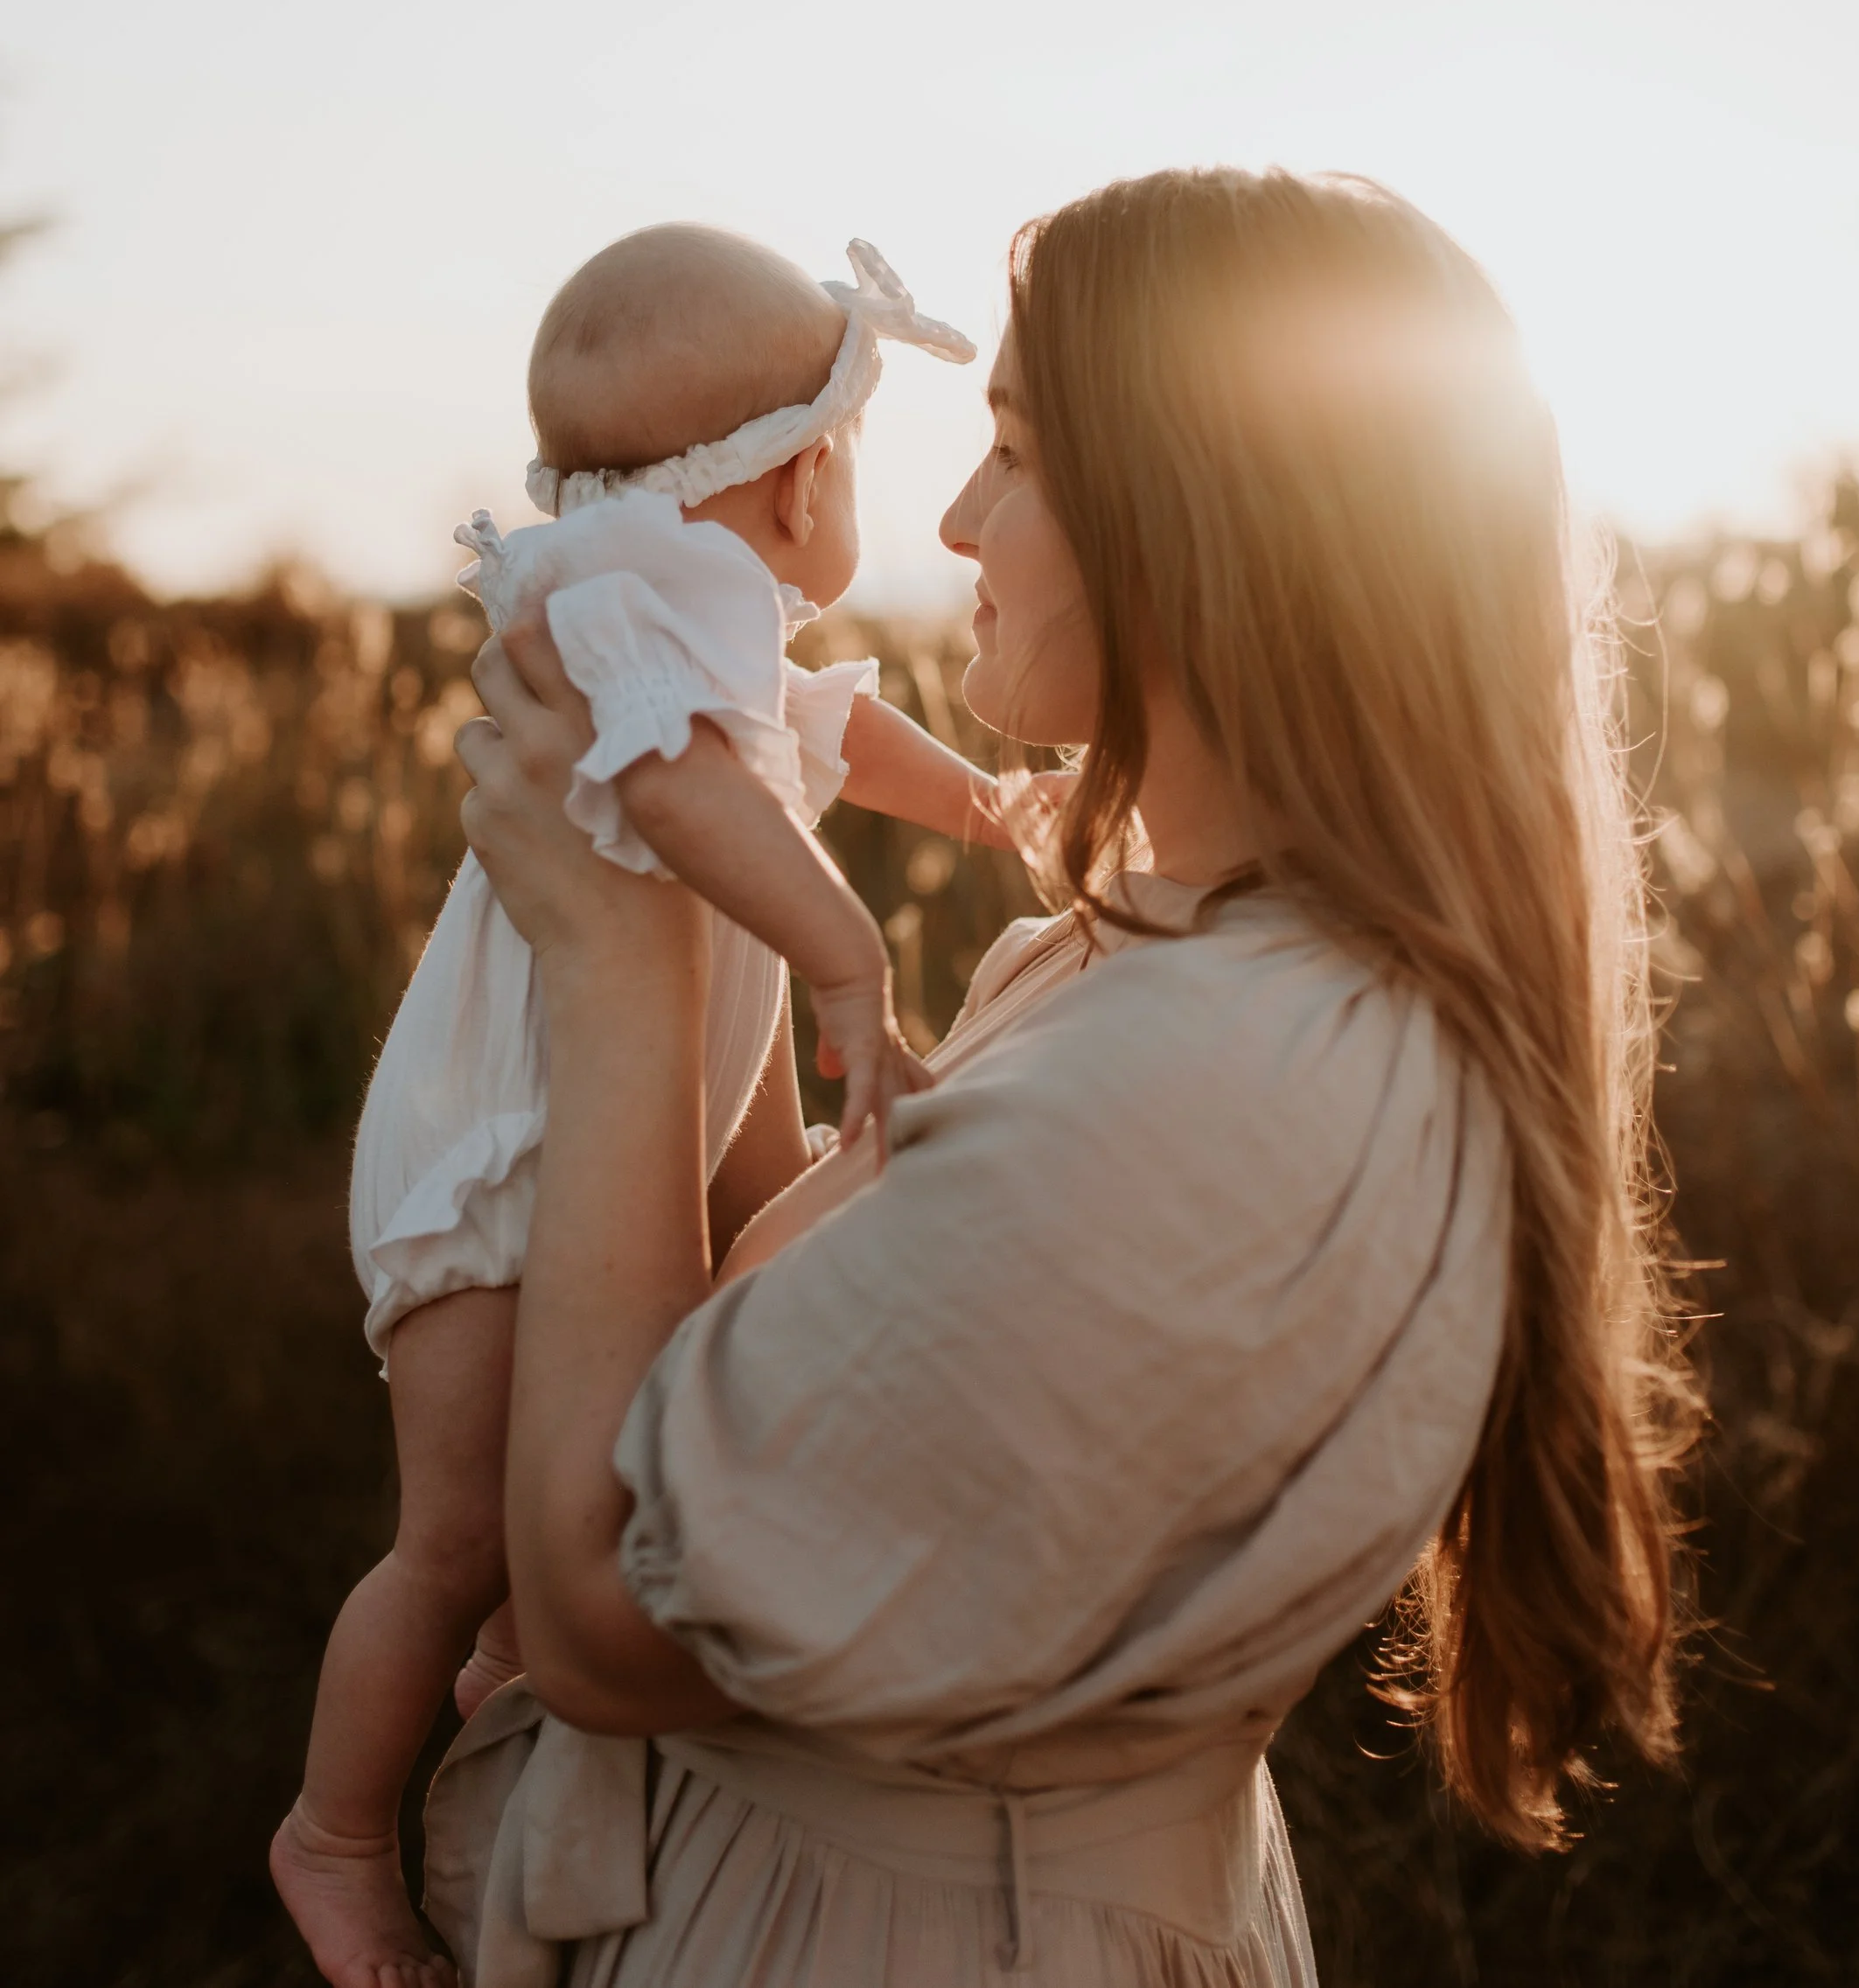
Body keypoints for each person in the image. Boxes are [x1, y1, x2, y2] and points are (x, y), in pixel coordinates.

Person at [430, 167, 1691, 1987]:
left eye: (1012, 453)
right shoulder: (1128, 960)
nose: (949, 517)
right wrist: (708, 871)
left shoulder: (1209, 1084)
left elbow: (607, 1618)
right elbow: (739, 1362)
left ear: (1206, 521)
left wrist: (618, 966)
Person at [275, 227, 1010, 1988]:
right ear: (793, 477)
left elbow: (821, 732)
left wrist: (992, 808)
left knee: (572, 1483)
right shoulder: (646, 596)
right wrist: (844, 952)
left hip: (591, 1124)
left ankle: (506, 1695)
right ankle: (334, 1833)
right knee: (453, 1533)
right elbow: (685, 785)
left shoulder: (680, 597)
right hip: (503, 1161)